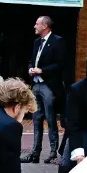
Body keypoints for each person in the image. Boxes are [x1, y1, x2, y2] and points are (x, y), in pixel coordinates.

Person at [20, 16, 65, 164]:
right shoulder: (36, 42)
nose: (34, 26)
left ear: (45, 26)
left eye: (37, 24)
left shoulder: (57, 41)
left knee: (51, 119)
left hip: (49, 85)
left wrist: (42, 70)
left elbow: (60, 65)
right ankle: (35, 153)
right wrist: (30, 69)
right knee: (36, 118)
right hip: (36, 85)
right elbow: (31, 60)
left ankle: (53, 152)